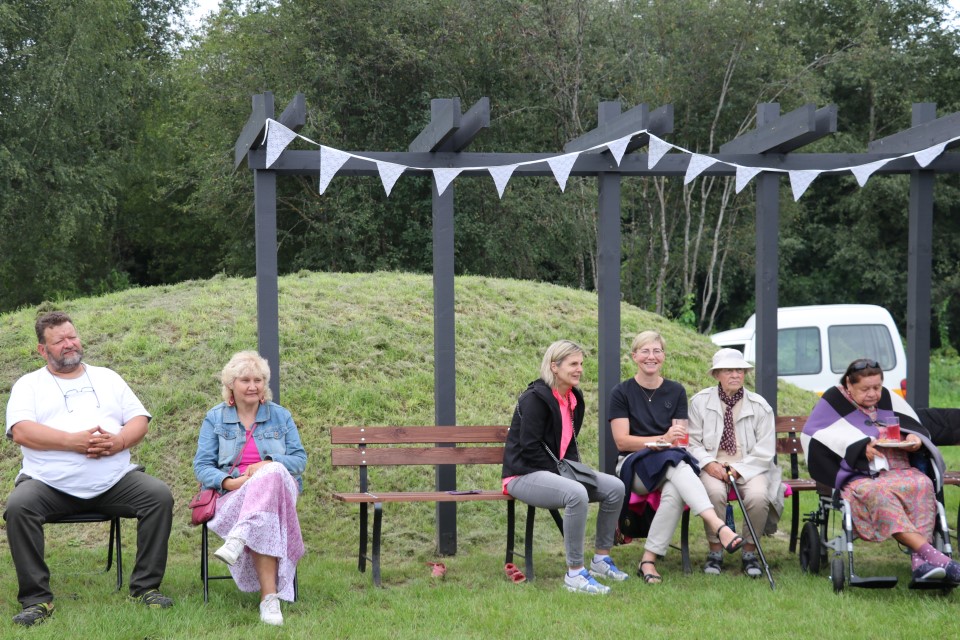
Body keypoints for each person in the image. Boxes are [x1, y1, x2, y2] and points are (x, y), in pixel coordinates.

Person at [4, 311, 174, 627]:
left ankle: (146, 588)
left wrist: (119, 441)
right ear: (42, 349)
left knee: (158, 496)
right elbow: (22, 431)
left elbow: (139, 419)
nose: (69, 344)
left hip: (113, 481)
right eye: (59, 341)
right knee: (19, 506)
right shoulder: (29, 385)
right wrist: (73, 442)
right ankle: (37, 600)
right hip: (49, 484)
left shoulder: (107, 377)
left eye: (72, 336)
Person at [801, 358, 960, 583]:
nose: (873, 394)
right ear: (849, 384)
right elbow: (814, 434)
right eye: (865, 389)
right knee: (879, 492)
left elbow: (912, 424)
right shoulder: (834, 400)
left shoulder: (887, 398)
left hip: (900, 469)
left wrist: (914, 438)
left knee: (923, 484)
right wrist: (857, 448)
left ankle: (920, 564)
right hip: (860, 474)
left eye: (877, 387)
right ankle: (938, 558)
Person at [608, 331, 744, 584]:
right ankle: (718, 526)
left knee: (675, 486)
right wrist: (661, 440)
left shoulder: (675, 391)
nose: (651, 356)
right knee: (676, 464)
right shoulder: (621, 392)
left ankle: (648, 560)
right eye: (645, 351)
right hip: (633, 465)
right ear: (634, 356)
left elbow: (680, 440)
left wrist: (667, 442)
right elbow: (622, 441)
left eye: (657, 351)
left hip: (669, 463)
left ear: (664, 356)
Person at [501, 340, 629, 594]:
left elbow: (569, 444)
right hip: (522, 475)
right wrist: (565, 477)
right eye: (573, 364)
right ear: (554, 366)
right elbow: (529, 448)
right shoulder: (534, 399)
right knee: (575, 493)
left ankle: (601, 560)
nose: (579, 369)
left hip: (555, 472)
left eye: (580, 363)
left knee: (615, 487)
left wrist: (573, 471)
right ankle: (575, 574)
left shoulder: (573, 398)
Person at [193, 351, 306, 626]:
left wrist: (268, 463)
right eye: (245, 380)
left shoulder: (280, 416)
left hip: (280, 490)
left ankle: (239, 537)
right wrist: (230, 482)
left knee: (273, 472)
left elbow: (299, 460)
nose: (253, 386)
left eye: (258, 380)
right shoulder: (215, 418)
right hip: (236, 494)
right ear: (231, 384)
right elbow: (202, 466)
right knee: (265, 515)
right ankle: (269, 600)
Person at [687, 348, 782, 578]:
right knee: (713, 493)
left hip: (750, 466)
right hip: (712, 464)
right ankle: (716, 551)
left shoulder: (760, 405)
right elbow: (692, 442)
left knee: (759, 496)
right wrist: (709, 464)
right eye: (729, 370)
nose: (735, 375)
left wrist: (739, 469)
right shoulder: (699, 402)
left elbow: (765, 449)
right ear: (716, 374)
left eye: (739, 370)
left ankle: (749, 552)